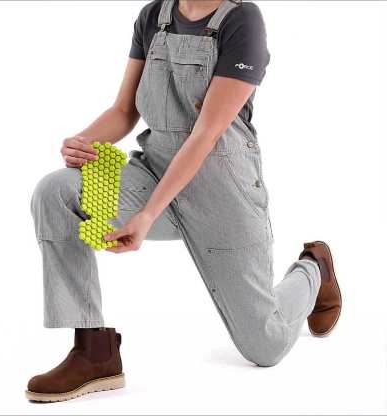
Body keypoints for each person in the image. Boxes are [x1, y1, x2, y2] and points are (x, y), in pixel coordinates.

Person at [26, 0, 342, 403]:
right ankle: (94, 351)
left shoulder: (242, 20)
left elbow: (206, 133)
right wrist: (82, 142)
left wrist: (148, 215)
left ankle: (314, 270)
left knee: (266, 344)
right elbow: (124, 111)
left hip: (223, 192)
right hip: (152, 174)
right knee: (55, 191)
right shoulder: (152, 16)